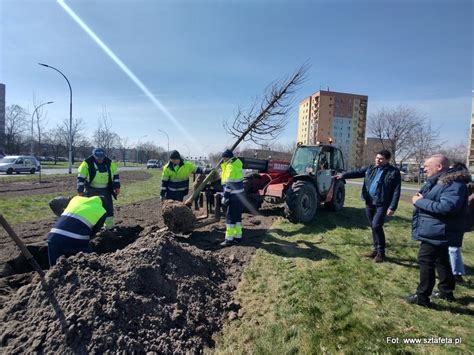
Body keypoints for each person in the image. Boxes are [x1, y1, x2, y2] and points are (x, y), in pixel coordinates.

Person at [406, 155, 469, 307]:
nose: (424, 168)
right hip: (436, 229)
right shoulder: (439, 182)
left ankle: (422, 297)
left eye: (427, 166)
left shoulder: (453, 184)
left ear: (439, 167)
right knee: (441, 260)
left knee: (426, 261)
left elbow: (447, 208)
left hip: (439, 231)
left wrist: (420, 202)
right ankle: (446, 291)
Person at [337, 149, 401, 262]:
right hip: (369, 201)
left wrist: (392, 207)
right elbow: (357, 172)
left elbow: (396, 190)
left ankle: (381, 253)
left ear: (387, 160)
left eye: (381, 159)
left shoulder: (394, 172)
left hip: (382, 203)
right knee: (373, 226)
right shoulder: (371, 168)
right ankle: (375, 250)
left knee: (377, 226)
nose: (378, 160)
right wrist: (343, 175)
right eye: (377, 158)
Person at [47, 195, 106, 266]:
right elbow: (95, 230)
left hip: (53, 236)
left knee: (54, 269)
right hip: (76, 239)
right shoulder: (101, 210)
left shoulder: (76, 200)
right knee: (89, 263)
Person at [77, 148, 120, 230]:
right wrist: (80, 191)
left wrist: (117, 186)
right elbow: (80, 178)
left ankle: (109, 227)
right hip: (91, 190)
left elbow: (115, 175)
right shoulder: (86, 164)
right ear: (94, 156)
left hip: (106, 190)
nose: (100, 160)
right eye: (98, 158)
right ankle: (91, 227)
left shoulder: (110, 163)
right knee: (91, 209)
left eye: (102, 158)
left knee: (108, 209)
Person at [443, 162, 471, 283]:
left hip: (459, 221)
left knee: (453, 247)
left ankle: (456, 273)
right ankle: (453, 271)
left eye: (451, 170)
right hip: (457, 220)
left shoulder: (463, 186)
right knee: (450, 247)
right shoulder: (455, 185)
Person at [219, 149, 244, 247]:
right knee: (237, 218)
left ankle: (228, 239)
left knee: (229, 218)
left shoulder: (230, 167)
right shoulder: (237, 165)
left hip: (232, 196)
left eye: (224, 158)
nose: (223, 160)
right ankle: (238, 237)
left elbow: (229, 185)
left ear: (228, 158)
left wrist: (225, 197)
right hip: (240, 196)